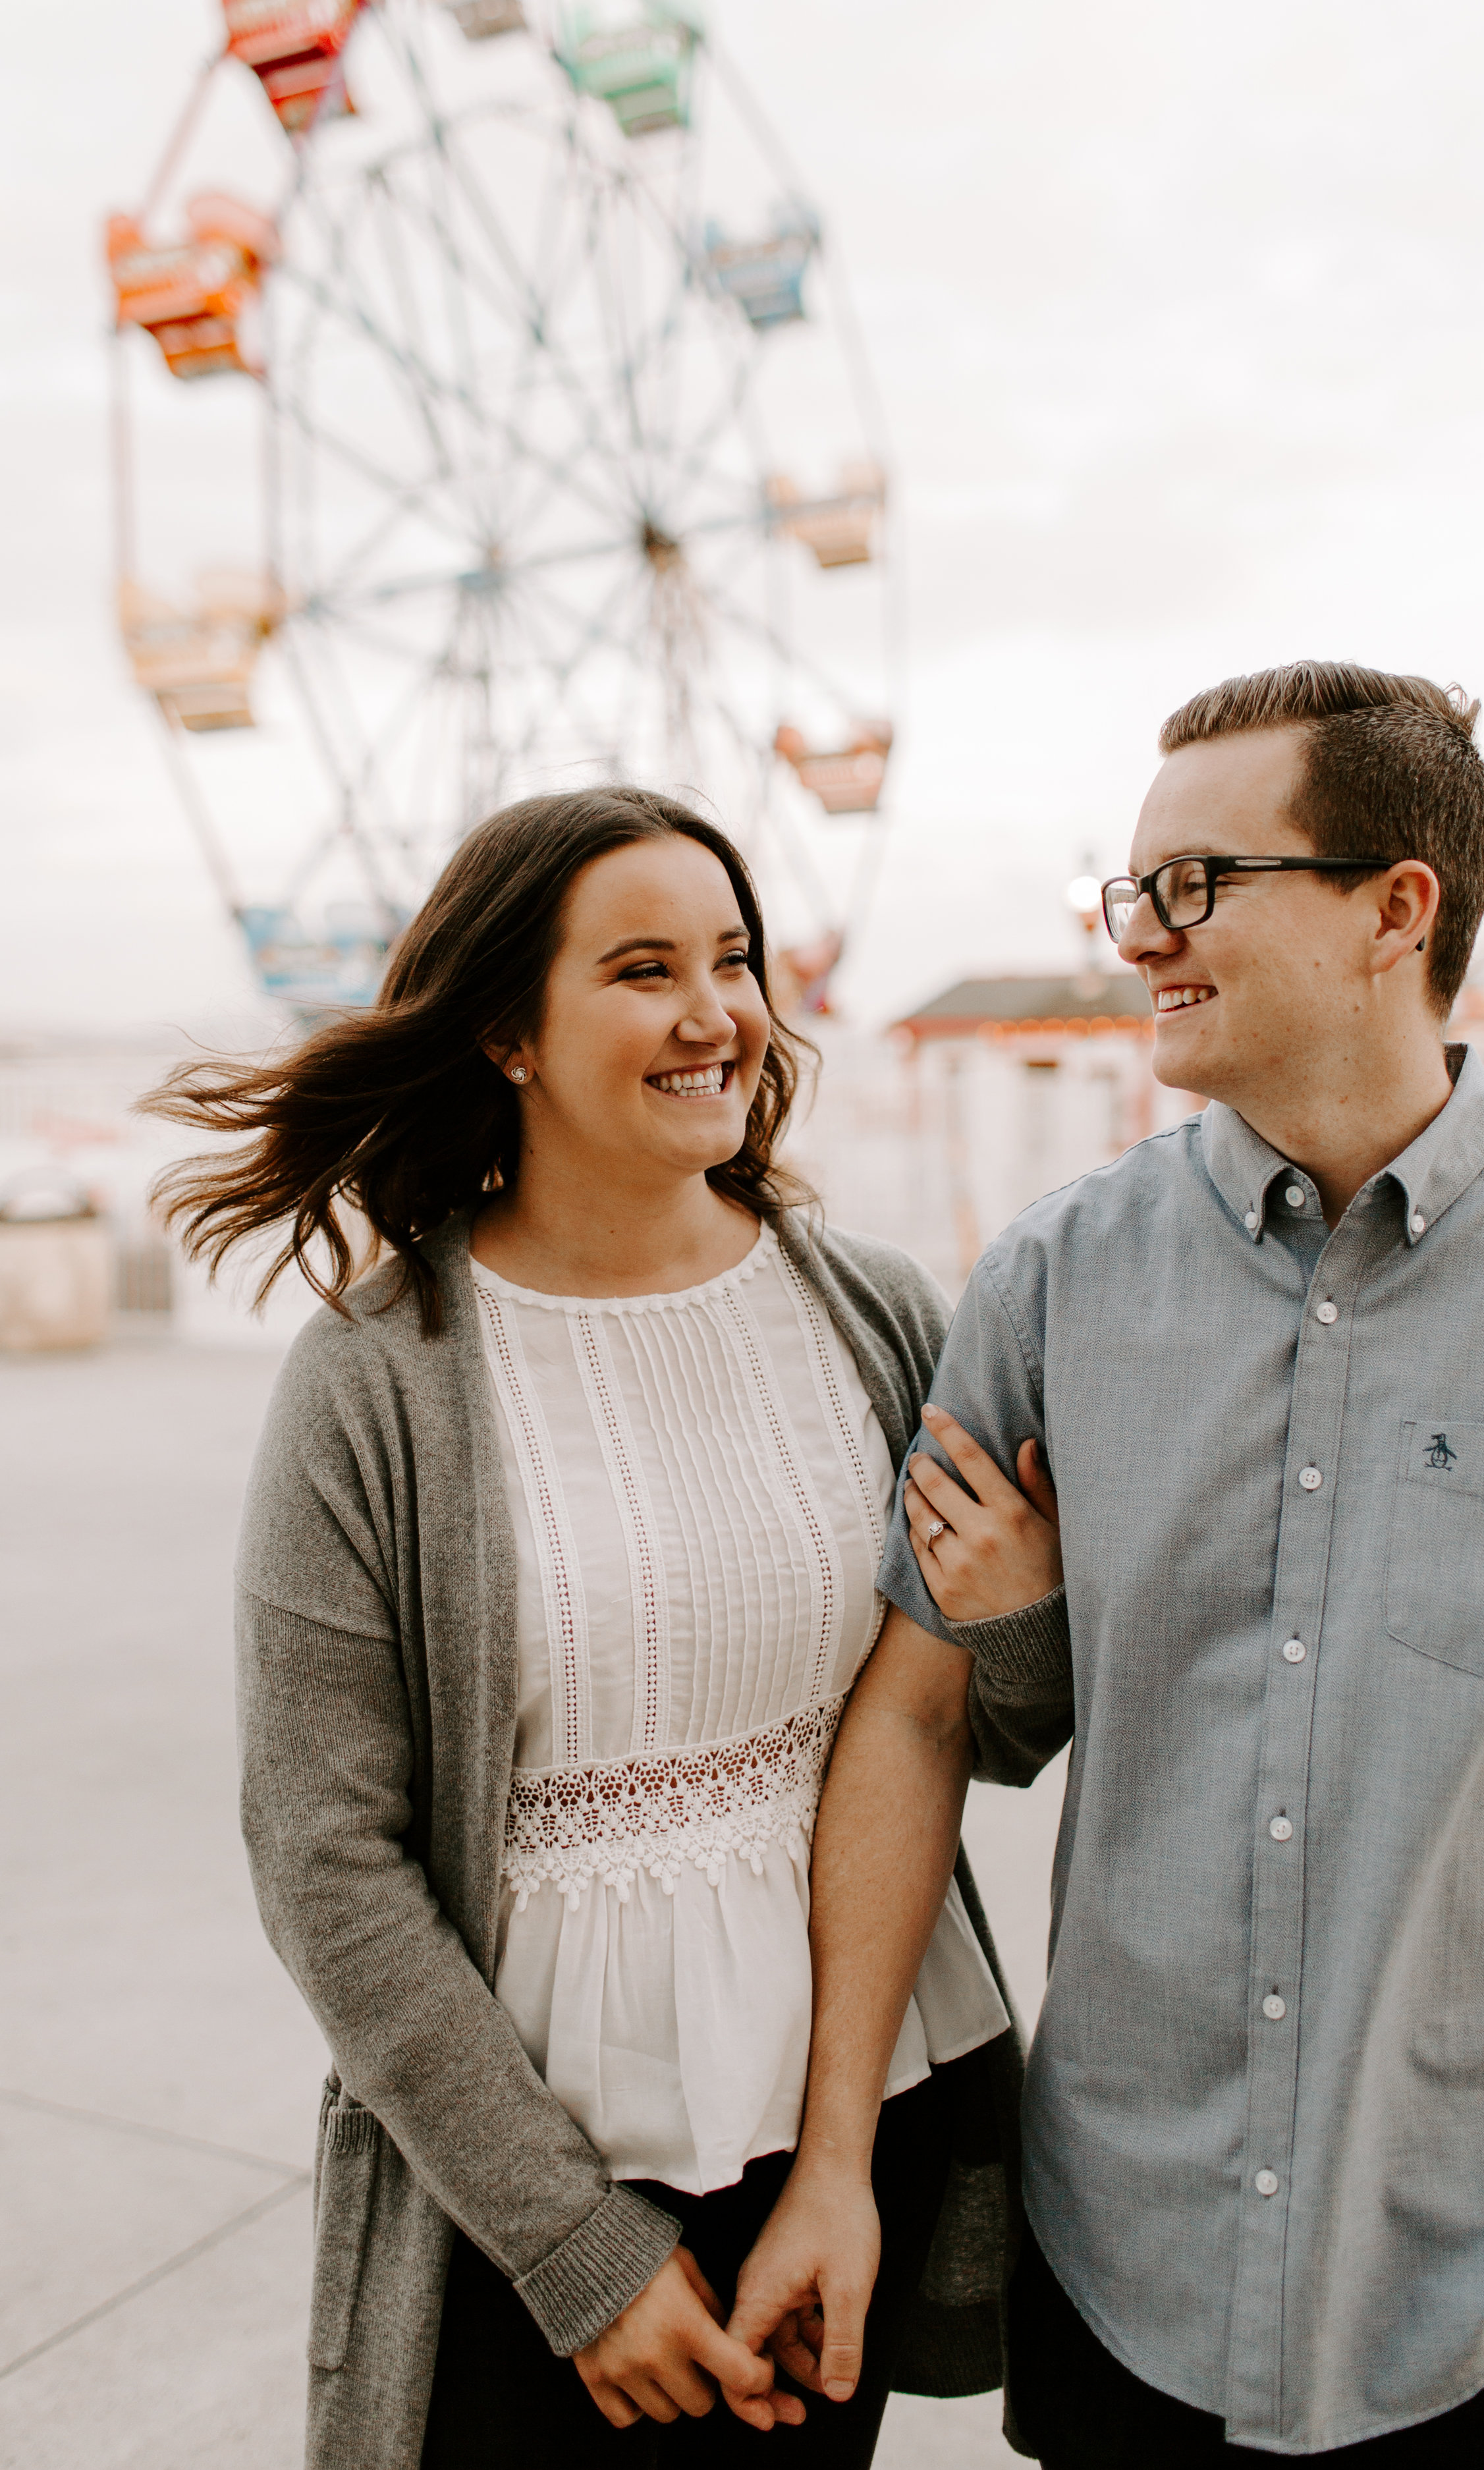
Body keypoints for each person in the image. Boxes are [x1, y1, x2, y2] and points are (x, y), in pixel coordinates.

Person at [730, 663, 1484, 2465]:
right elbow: (916, 1723)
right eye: (1129, 889)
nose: (1140, 934)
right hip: (1118, 2269)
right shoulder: (1053, 1278)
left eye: (1195, 885)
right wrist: (833, 2156)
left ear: (1397, 908)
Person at [140, 786, 1047, 2470]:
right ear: (505, 1030)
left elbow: (988, 1727)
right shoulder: (376, 1379)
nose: (715, 1014)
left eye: (734, 958)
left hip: (851, 2128)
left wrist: (1024, 1614)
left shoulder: (878, 1316)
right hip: (525, 2182)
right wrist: (570, 2247)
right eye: (644, 969)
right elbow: (322, 1848)